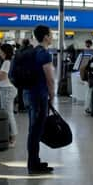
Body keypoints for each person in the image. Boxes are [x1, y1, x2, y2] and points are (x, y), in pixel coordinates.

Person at [25, 25, 55, 175]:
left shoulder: (34, 52)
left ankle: (34, 161)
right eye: (51, 34)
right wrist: (52, 95)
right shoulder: (44, 54)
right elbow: (49, 78)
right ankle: (33, 164)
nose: (53, 37)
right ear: (45, 37)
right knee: (36, 131)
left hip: (31, 94)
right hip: (40, 95)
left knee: (33, 130)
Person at [0, 44, 18, 147]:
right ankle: (10, 136)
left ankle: (13, 138)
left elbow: (1, 78)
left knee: (9, 114)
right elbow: (4, 74)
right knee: (8, 113)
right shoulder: (7, 62)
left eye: (1, 51)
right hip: (7, 89)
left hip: (7, 90)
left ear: (5, 52)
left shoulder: (6, 62)